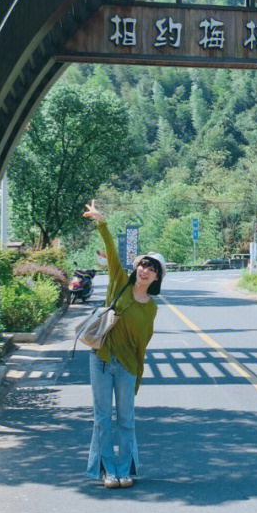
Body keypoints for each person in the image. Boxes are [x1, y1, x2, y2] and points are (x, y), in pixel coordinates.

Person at [81, 199, 164, 489]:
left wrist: (138, 375)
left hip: (128, 366)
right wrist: (101, 222)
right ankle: (107, 471)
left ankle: (126, 469)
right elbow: (113, 253)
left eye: (151, 268)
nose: (145, 270)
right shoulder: (120, 282)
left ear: (156, 278)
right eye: (143, 264)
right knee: (102, 419)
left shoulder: (151, 307)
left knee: (126, 420)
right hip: (101, 359)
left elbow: (143, 344)